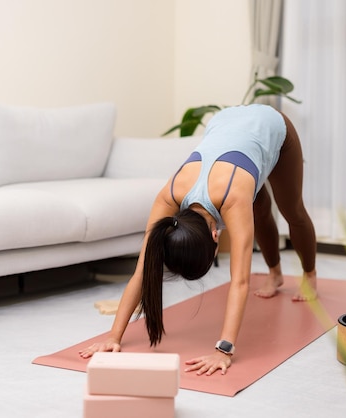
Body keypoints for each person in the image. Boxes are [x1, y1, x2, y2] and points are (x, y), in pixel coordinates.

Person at [79, 104, 317, 377]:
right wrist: (114, 337)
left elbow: (239, 281)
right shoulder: (169, 195)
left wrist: (223, 350)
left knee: (291, 210)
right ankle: (275, 275)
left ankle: (310, 274)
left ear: (215, 236)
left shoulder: (233, 198)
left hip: (268, 124)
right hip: (231, 131)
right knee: (259, 209)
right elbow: (143, 270)